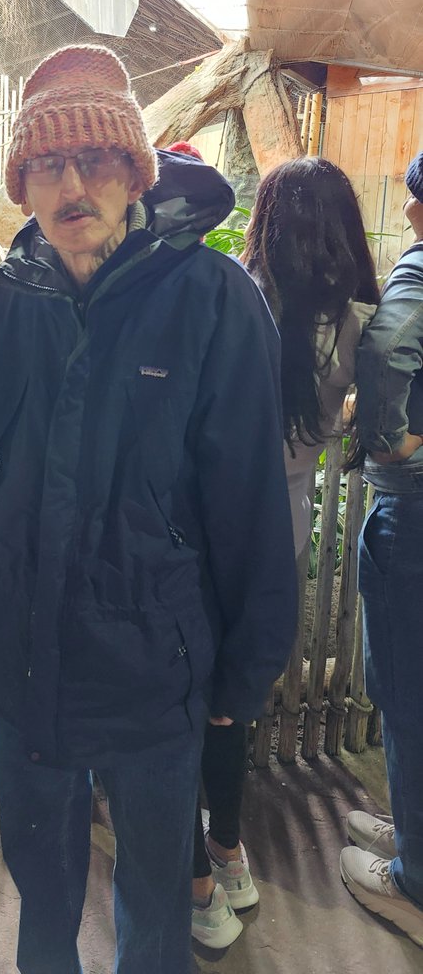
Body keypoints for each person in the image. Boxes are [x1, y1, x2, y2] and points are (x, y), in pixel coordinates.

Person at [0, 45, 298, 974]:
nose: (74, 185)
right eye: (48, 166)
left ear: (135, 172)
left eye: (96, 160)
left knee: (153, 900)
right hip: (25, 668)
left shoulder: (211, 299)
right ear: (21, 184)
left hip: (153, 667)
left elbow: (251, 506)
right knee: (43, 891)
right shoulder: (2, 302)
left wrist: (244, 670)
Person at [186, 157, 380, 949]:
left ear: (264, 221)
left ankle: (188, 849)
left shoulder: (233, 296)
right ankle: (228, 846)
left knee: (186, 678)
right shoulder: (359, 319)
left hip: (201, 518)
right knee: (238, 688)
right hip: (286, 523)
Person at [340, 153, 423, 950]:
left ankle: (414, 887)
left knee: (405, 694)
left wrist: (391, 443)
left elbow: (389, 346)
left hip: (416, 519)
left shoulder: (418, 273)